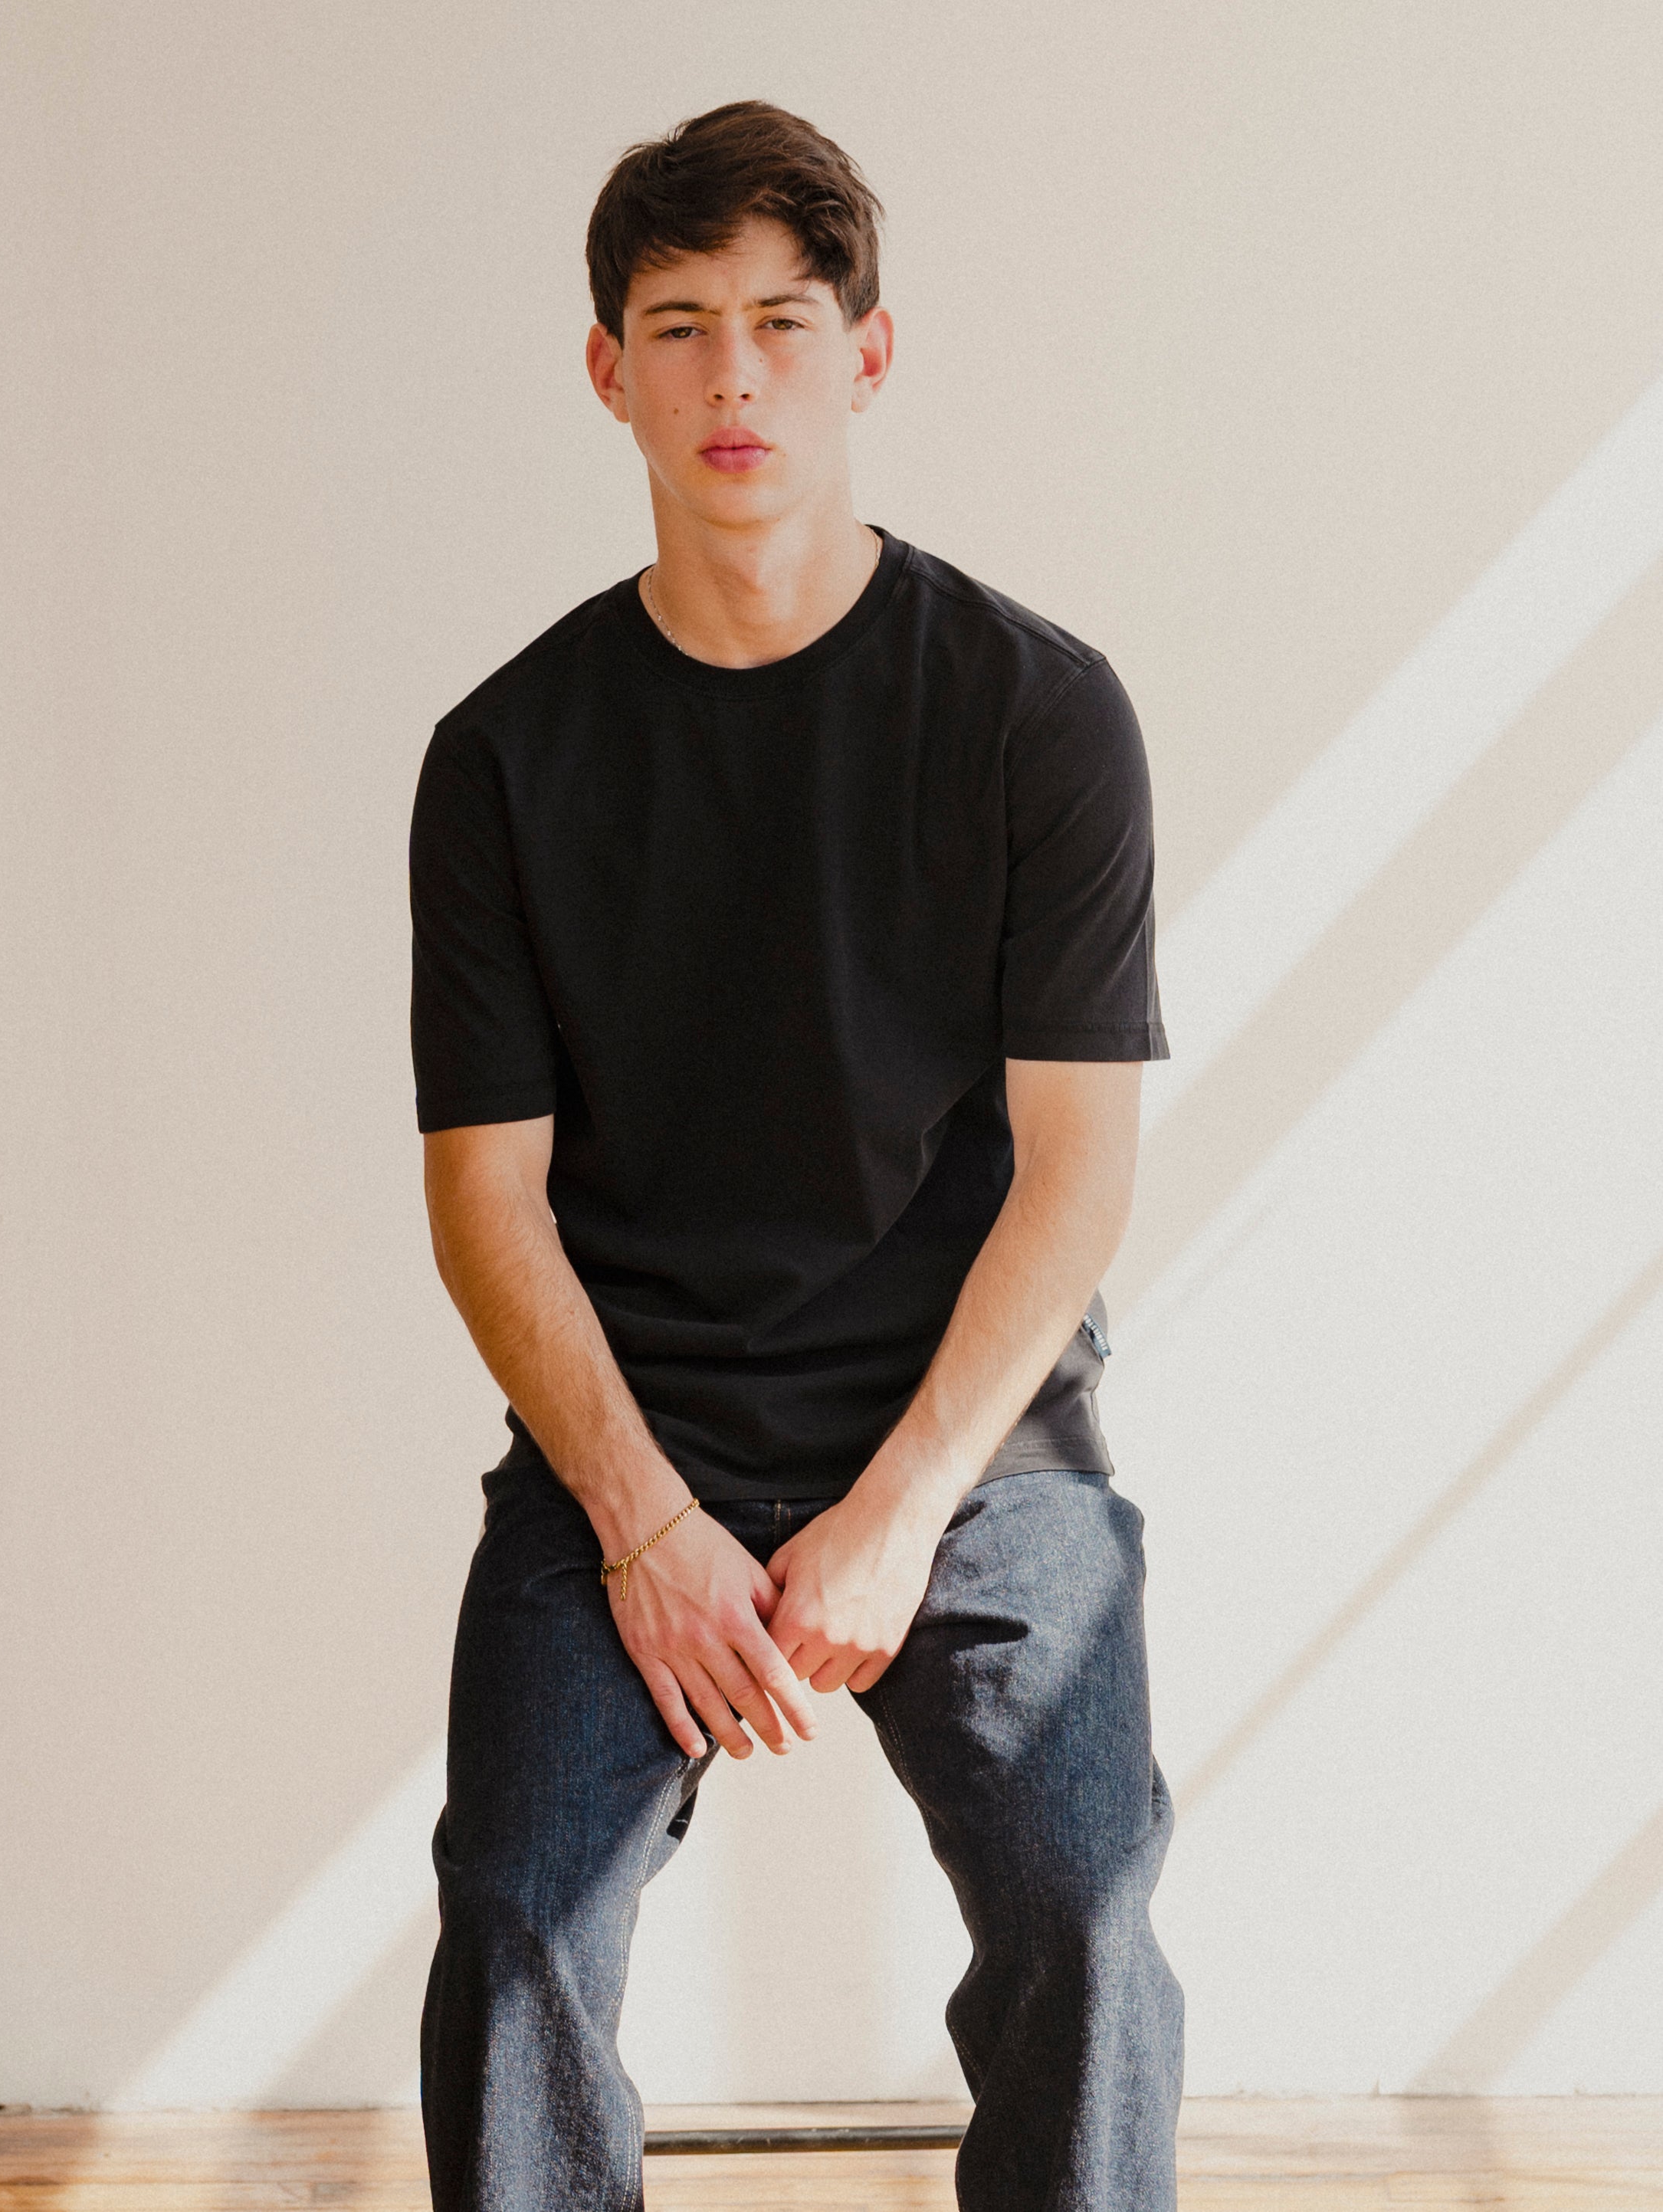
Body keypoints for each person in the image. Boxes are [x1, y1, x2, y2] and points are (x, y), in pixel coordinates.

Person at [408, 97, 1185, 2212]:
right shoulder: (506, 758)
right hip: (631, 1441)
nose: (732, 376)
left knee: (1087, 1917)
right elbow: (484, 1202)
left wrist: (901, 1509)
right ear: (609, 371)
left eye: (781, 321)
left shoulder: (1037, 712)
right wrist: (647, 1523)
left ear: (870, 353)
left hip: (972, 1444)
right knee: (514, 1921)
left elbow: (1078, 1171)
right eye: (680, 327)